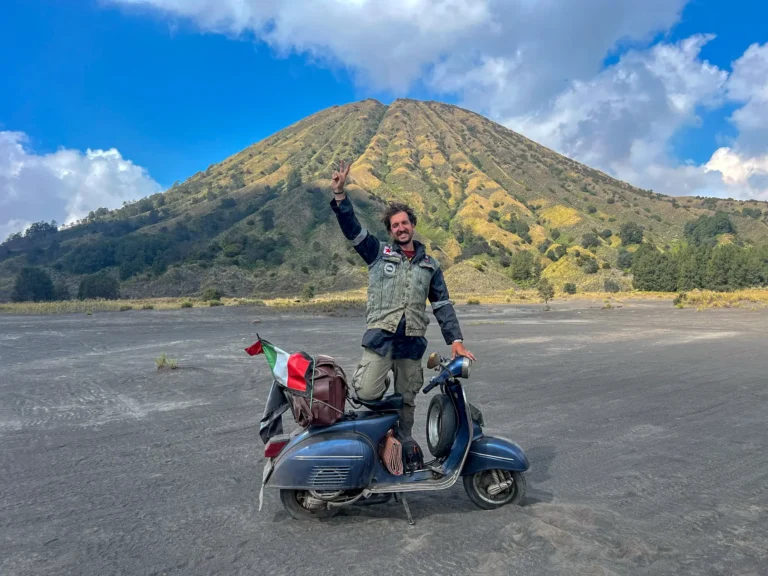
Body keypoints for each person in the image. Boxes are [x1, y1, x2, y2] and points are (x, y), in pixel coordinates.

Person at [329, 159, 476, 455]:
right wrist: (340, 196)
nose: (400, 228)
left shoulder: (429, 264)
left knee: (407, 397)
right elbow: (352, 229)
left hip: (411, 343)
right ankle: (380, 435)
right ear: (391, 230)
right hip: (380, 339)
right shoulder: (377, 254)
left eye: (404, 223)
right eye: (395, 225)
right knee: (368, 390)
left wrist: (456, 342)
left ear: (412, 225)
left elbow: (442, 304)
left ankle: (404, 440)